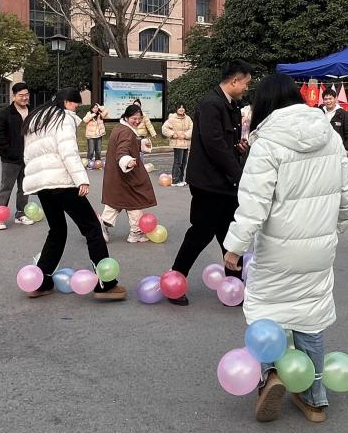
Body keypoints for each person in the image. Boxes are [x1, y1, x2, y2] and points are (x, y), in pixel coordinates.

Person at [222, 74, 348, 424]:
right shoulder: (330, 135)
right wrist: (331, 232)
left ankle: (271, 376)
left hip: (276, 249)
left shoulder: (267, 142)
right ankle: (315, 399)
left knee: (266, 313)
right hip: (319, 249)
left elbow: (253, 205)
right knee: (310, 316)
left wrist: (234, 247)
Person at [21, 88, 126, 300]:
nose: (77, 108)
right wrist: (81, 180)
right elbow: (68, 151)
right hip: (62, 182)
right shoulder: (64, 118)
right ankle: (106, 284)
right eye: (76, 104)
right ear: (67, 103)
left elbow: (28, 155)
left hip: (42, 185)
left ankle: (41, 282)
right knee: (92, 228)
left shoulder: (37, 120)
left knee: (57, 230)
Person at [168, 59, 253, 306]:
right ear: (235, 80)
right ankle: (175, 280)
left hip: (225, 182)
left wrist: (238, 148)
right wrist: (239, 175)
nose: (247, 88)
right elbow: (214, 145)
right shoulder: (211, 104)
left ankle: (234, 286)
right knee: (201, 232)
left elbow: (224, 144)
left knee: (230, 234)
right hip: (209, 183)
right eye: (246, 83)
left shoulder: (231, 105)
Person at [101, 104, 158, 244]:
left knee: (117, 202)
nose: (137, 121)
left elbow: (125, 145)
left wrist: (140, 144)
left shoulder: (120, 128)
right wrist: (126, 160)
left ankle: (102, 226)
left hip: (118, 175)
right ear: (126, 117)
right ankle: (135, 232)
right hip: (126, 175)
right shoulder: (126, 132)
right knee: (134, 201)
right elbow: (122, 150)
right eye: (134, 118)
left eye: (139, 118)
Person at [0, 82, 34, 230]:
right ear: (14, 96)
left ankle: (20, 214)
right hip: (11, 158)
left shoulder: (32, 111)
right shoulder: (6, 113)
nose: (24, 98)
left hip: (28, 157)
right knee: (6, 187)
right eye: (21, 95)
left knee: (24, 188)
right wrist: (8, 149)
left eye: (26, 95)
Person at [161, 103, 193, 186]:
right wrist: (173, 134)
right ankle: (175, 180)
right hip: (177, 143)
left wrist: (185, 135)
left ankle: (181, 179)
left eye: (183, 107)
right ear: (176, 109)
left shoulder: (188, 118)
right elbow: (164, 128)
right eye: (179, 107)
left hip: (185, 143)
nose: (181, 109)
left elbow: (192, 128)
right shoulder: (172, 118)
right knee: (178, 162)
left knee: (184, 162)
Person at [321, 88, 348, 153]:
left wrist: (347, 149)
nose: (328, 101)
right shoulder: (319, 113)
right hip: (321, 151)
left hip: (338, 151)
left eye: (330, 99)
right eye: (326, 99)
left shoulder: (344, 114)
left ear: (335, 99)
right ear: (323, 101)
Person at [82, 103, 109, 167]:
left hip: (99, 135)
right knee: (91, 151)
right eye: (94, 108)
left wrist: (100, 107)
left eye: (96, 108)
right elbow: (85, 120)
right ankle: (88, 163)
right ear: (91, 108)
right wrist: (92, 115)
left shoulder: (100, 114)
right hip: (91, 136)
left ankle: (98, 163)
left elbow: (106, 112)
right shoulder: (89, 114)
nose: (95, 109)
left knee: (98, 151)